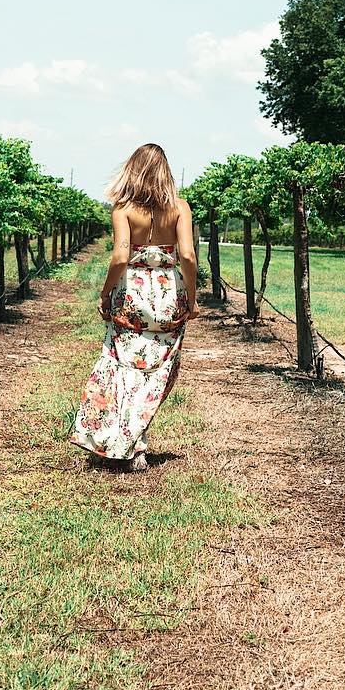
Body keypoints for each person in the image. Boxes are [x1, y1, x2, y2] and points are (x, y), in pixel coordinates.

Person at [69, 143, 199, 472]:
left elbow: (120, 257)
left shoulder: (123, 209)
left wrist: (105, 292)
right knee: (159, 370)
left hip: (132, 295)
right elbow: (187, 256)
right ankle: (135, 438)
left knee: (122, 367)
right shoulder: (181, 208)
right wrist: (193, 298)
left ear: (133, 170)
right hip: (170, 296)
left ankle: (127, 441)